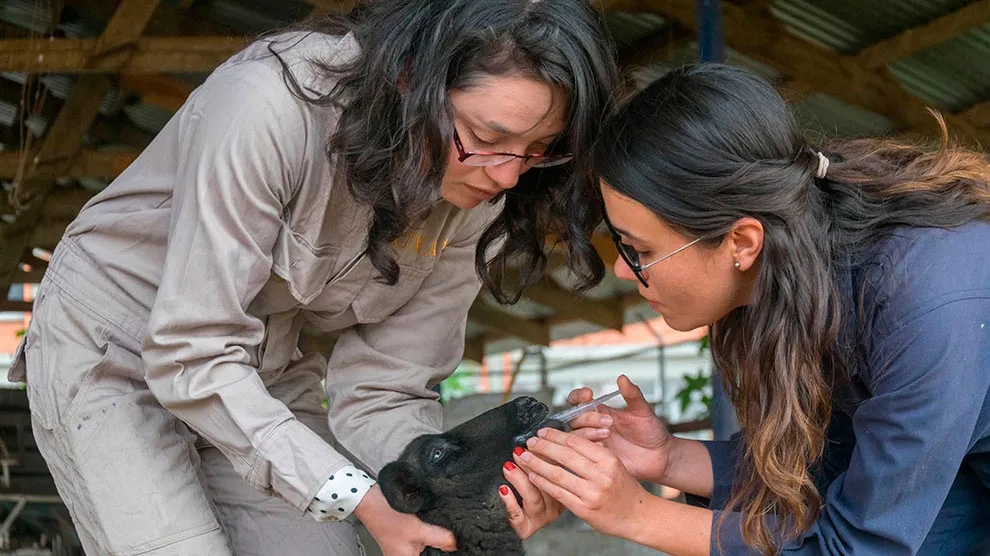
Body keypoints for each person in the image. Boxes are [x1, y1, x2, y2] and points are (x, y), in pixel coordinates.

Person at [7, 1, 619, 554]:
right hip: (118, 349)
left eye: (540, 149)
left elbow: (385, 387)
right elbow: (189, 351)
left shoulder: (476, 186)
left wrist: (459, 493)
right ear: (413, 79)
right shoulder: (268, 106)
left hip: (259, 364)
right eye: (489, 138)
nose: (509, 178)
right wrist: (360, 498)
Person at [511, 63, 990, 555]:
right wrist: (668, 459)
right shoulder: (821, 272)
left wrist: (638, 515)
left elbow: (858, 546)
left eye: (640, 249)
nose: (624, 272)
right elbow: (836, 463)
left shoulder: (924, 303)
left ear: (741, 241)